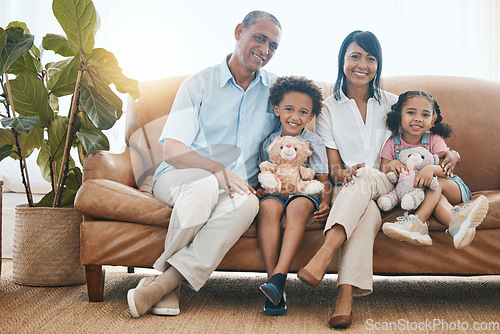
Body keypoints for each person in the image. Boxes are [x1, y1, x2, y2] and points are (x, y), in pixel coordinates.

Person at [295, 30, 460, 329]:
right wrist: (341, 175)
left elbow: (426, 135)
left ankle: (323, 254)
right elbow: (333, 168)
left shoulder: (396, 104)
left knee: (369, 173)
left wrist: (452, 155)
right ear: (342, 60)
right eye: (355, 56)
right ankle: (344, 298)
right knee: (364, 207)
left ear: (378, 64)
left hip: (391, 183)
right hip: (353, 188)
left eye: (371, 58)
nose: (363, 64)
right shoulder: (328, 108)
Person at [127, 11, 282, 318]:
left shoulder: (275, 91)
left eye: (273, 46)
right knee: (203, 185)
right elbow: (172, 150)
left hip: (236, 188)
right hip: (179, 176)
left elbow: (292, 136)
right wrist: (215, 169)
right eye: (259, 38)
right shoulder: (198, 84)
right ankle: (169, 285)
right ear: (239, 32)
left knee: (248, 205)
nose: (265, 50)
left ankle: (163, 284)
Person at [256, 76, 332, 316]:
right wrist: (261, 190)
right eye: (289, 109)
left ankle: (279, 277)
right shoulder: (270, 142)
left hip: (303, 192)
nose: (295, 116)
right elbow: (265, 173)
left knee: (296, 208)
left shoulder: (314, 142)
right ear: (277, 109)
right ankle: (273, 284)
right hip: (275, 192)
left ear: (310, 117)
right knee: (268, 209)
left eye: (303, 112)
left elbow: (322, 178)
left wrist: (327, 201)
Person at [380, 90, 489, 248]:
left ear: (433, 120)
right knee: (434, 197)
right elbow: (383, 170)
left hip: (451, 186)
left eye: (425, 115)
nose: (418, 119)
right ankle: (456, 224)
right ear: (398, 115)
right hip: (420, 194)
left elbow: (446, 170)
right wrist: (392, 164)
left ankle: (417, 222)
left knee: (434, 183)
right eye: (411, 112)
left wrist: (431, 168)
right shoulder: (391, 143)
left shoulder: (434, 140)